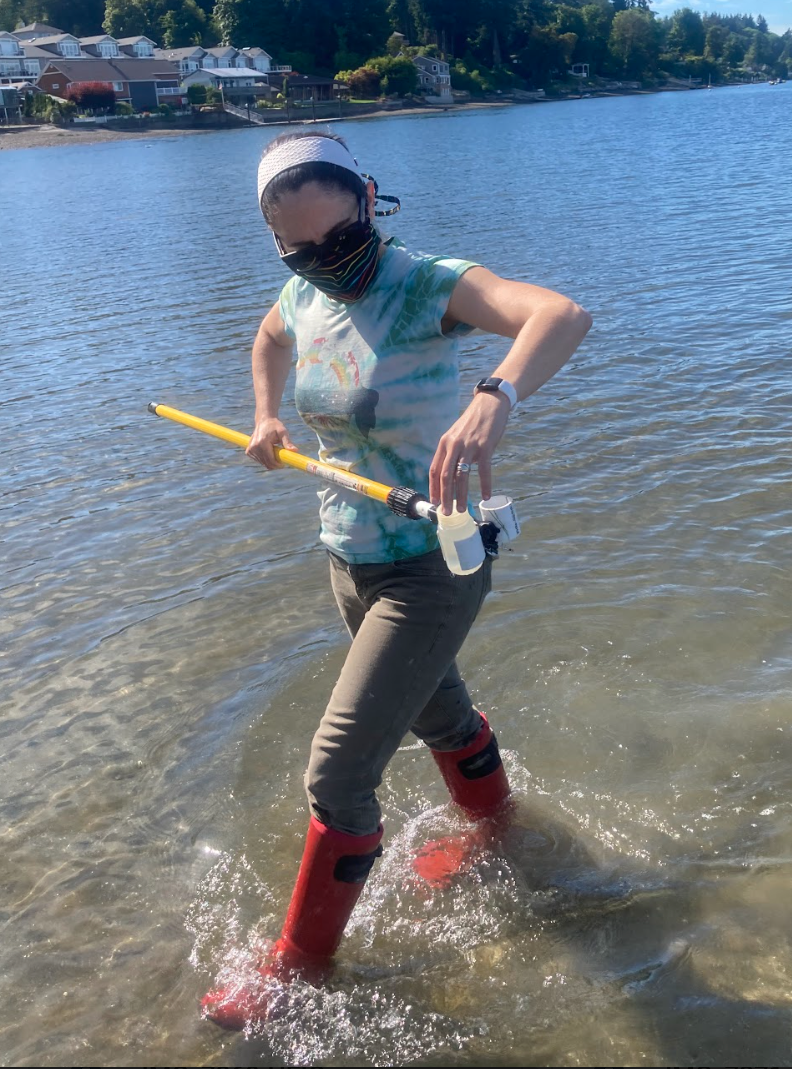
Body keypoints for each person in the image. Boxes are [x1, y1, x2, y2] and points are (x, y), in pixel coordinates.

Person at [202, 131, 592, 1029]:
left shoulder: (425, 284)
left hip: (434, 560)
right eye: (299, 252)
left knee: (337, 773)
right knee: (440, 715)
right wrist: (264, 417)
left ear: (370, 202)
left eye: (339, 243)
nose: (324, 266)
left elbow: (560, 314)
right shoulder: (302, 293)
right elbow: (269, 334)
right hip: (348, 557)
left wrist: (495, 397)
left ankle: (297, 969)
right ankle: (499, 830)